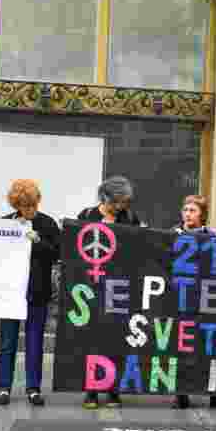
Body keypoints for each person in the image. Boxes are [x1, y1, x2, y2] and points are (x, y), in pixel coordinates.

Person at [77, 175, 142, 409]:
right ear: (106, 198)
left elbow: (139, 248)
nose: (123, 207)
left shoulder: (130, 218)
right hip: (94, 287)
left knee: (117, 340)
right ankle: (92, 390)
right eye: (119, 202)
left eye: (126, 202)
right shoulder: (87, 216)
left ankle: (113, 389)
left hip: (120, 288)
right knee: (94, 341)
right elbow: (78, 249)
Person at [0, 179, 60, 406]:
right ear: (17, 205)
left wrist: (38, 241)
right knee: (8, 341)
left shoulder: (48, 223)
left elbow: (56, 254)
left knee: (35, 342)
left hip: (37, 291)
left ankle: (33, 388)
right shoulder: (5, 224)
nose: (30, 210)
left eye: (33, 205)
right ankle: (4, 387)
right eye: (25, 206)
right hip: (11, 292)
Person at [170, 195, 216, 411]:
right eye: (185, 210)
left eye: (193, 210)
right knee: (182, 347)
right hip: (180, 301)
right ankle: (181, 394)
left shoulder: (213, 238)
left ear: (202, 215)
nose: (188, 214)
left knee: (211, 348)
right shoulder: (171, 236)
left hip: (207, 302)